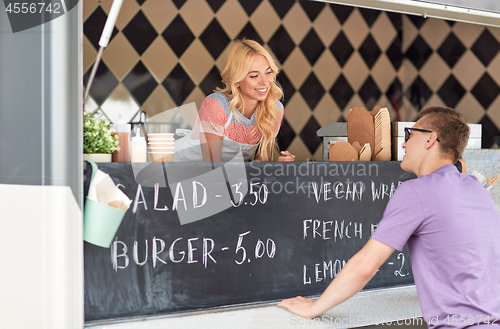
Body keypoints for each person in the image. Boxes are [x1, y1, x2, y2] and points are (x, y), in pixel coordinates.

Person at [278, 106, 500, 328]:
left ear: (430, 139)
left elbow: (365, 267)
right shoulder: (475, 187)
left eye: (409, 135)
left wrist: (314, 307)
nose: (403, 144)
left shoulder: (416, 191)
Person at [174, 39, 295, 162]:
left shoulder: (273, 110)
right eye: (254, 76)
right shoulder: (216, 106)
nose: (265, 82)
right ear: (237, 80)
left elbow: (260, 169)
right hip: (174, 168)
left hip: (220, 178)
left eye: (268, 72)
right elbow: (212, 167)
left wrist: (276, 167)